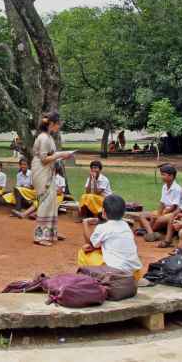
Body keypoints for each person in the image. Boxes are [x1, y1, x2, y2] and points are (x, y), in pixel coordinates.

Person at [28, 112, 76, 246]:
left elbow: (51, 156)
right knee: (45, 201)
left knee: (51, 200)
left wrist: (62, 156)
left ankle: (50, 232)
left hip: (48, 170)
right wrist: (61, 154)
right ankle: (40, 236)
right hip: (42, 170)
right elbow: (44, 159)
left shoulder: (48, 137)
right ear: (51, 124)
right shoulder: (43, 138)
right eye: (58, 123)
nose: (59, 126)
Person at [77, 194, 143, 279]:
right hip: (134, 272)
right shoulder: (126, 225)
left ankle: (91, 278)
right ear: (123, 213)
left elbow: (90, 243)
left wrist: (85, 223)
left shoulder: (103, 227)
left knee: (83, 251)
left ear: (103, 212)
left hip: (116, 273)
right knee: (100, 249)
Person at [137, 164, 182, 243]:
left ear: (171, 176)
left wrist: (162, 214)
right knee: (142, 216)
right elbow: (162, 203)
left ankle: (148, 232)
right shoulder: (164, 186)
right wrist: (159, 213)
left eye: (163, 175)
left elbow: (174, 207)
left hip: (173, 212)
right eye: (161, 175)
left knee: (158, 219)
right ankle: (151, 233)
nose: (161, 177)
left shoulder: (177, 189)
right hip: (165, 211)